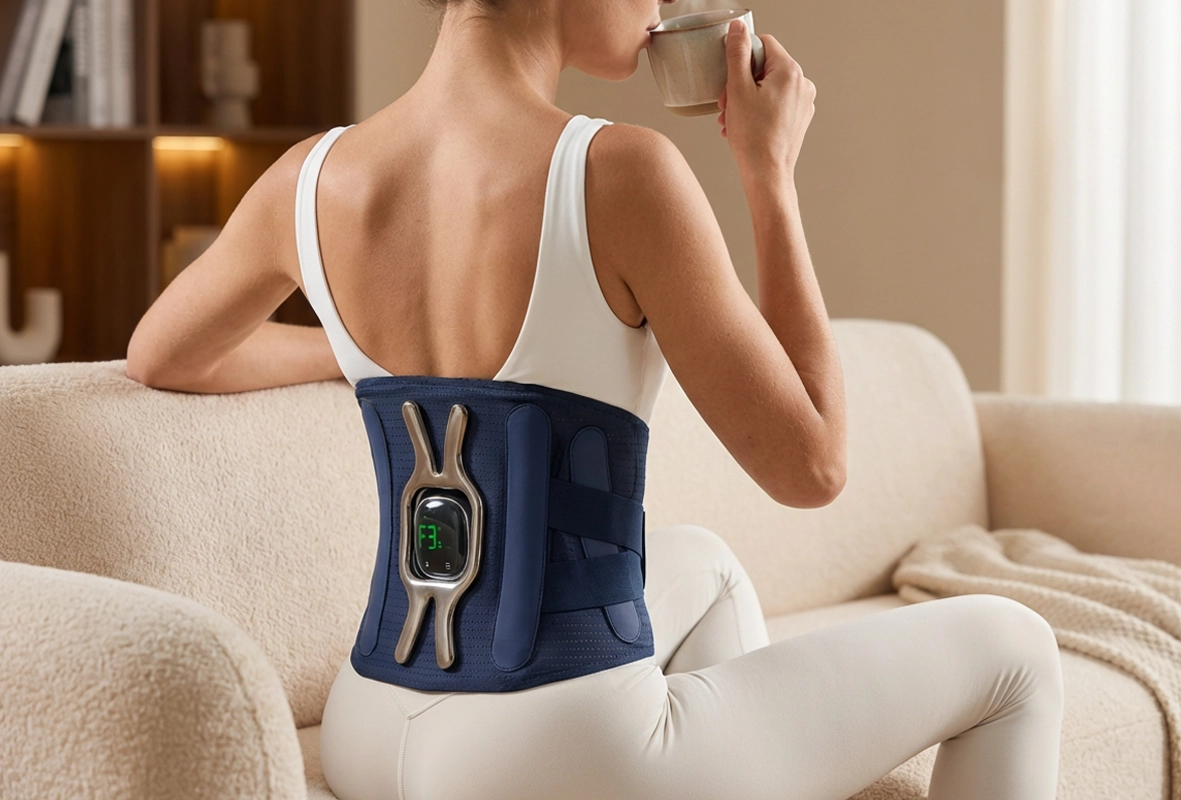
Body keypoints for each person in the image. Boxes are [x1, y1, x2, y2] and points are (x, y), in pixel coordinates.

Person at [125, 0, 1065, 796]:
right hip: (552, 747)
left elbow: (162, 353)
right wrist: (769, 173)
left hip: (373, 726)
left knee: (706, 566)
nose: (662, 6)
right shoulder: (619, 171)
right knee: (1016, 650)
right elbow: (812, 466)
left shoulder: (308, 178)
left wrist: (361, 356)